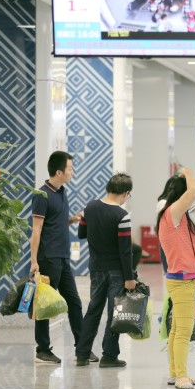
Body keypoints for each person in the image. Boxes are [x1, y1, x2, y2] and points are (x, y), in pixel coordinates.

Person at [30, 151, 88, 364]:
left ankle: (82, 348)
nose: (72, 172)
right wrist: (34, 261)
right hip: (48, 257)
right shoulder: (42, 195)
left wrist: (73, 219)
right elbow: (36, 229)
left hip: (63, 257)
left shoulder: (62, 192)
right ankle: (42, 350)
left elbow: (57, 221)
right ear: (58, 172)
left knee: (74, 302)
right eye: (70, 168)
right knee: (45, 305)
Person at [75, 173, 136, 368]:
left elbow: (81, 233)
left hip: (96, 268)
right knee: (114, 313)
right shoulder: (122, 216)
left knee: (93, 310)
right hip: (117, 271)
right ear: (125, 193)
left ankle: (82, 354)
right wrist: (129, 278)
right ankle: (109, 356)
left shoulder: (90, 207)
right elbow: (125, 251)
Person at [157, 168, 195, 389]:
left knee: (177, 329)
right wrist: (187, 172)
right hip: (182, 280)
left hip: (187, 279)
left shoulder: (179, 215)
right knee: (184, 330)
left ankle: (176, 373)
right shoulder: (172, 213)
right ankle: (182, 376)